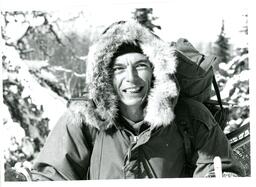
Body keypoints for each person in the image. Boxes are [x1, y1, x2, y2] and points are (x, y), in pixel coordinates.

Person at [26, 20, 244, 180]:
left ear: (155, 70)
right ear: (105, 76)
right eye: (119, 69)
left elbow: (218, 170)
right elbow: (52, 176)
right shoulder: (84, 119)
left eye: (141, 66)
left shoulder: (191, 116)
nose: (131, 78)